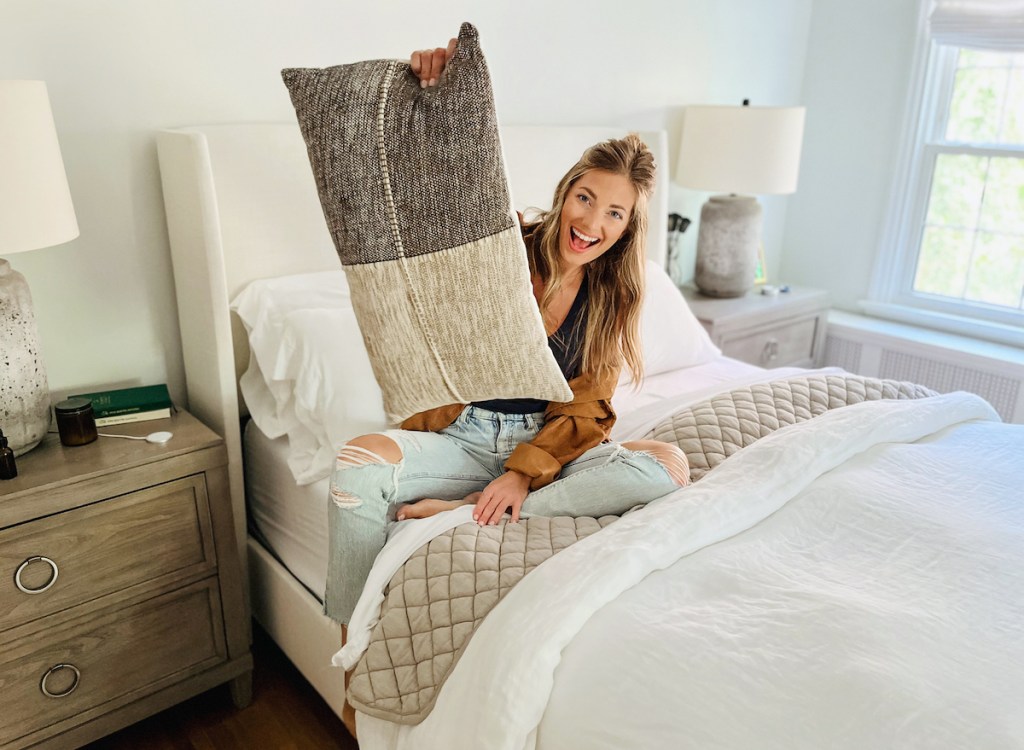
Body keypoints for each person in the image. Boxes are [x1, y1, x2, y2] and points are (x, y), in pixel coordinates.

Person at [323, 40, 690, 623]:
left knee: (667, 465)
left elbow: (589, 410)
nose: (592, 222)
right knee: (357, 461)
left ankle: (467, 509)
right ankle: (351, 630)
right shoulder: (503, 248)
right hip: (462, 435)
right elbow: (434, 203)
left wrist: (522, 476)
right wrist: (437, 104)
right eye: (585, 198)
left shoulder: (612, 298)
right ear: (566, 192)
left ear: (627, 227)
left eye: (614, 213)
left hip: (545, 446)